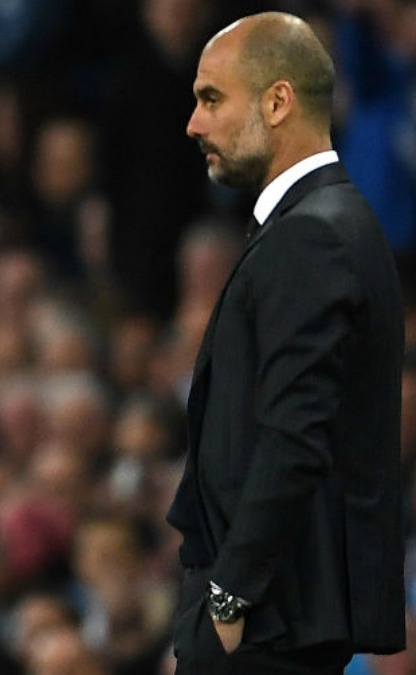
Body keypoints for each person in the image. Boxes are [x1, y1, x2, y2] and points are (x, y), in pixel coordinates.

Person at [166, 12, 406, 674]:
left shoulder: (313, 234)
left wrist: (227, 599)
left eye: (211, 97)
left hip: (271, 623)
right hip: (280, 618)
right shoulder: (328, 222)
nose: (193, 122)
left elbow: (294, 434)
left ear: (278, 101)